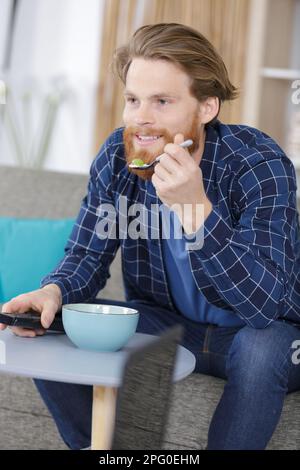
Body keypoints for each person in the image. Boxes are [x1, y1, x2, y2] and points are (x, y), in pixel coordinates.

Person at [1, 22, 300, 450]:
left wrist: (196, 208)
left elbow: (264, 305)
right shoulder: (118, 158)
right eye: (133, 99)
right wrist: (54, 291)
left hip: (264, 334)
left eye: (162, 101)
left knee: (262, 349)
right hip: (171, 326)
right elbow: (86, 256)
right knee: (52, 327)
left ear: (206, 108)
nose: (142, 117)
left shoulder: (259, 163)